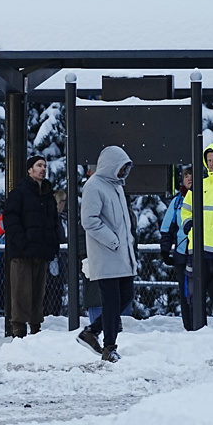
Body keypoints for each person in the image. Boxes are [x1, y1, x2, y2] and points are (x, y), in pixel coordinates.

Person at [77, 145, 137, 363]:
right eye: (122, 167)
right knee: (112, 301)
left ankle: (92, 331)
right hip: (106, 253)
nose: (124, 172)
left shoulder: (117, 187)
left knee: (126, 296)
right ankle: (109, 346)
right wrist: (113, 241)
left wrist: (126, 245)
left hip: (121, 254)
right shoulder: (94, 186)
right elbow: (89, 220)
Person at [179, 143, 213, 330]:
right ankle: (196, 331)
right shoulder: (199, 185)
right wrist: (189, 227)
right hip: (198, 249)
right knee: (194, 295)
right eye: (209, 160)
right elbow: (186, 210)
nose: (211, 164)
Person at [4, 156, 62, 337]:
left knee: (38, 292)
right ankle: (19, 328)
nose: (43, 169)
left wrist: (52, 244)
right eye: (39, 165)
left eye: (44, 166)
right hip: (23, 252)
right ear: (30, 169)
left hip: (41, 251)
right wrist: (22, 242)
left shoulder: (47, 196)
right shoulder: (19, 193)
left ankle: (36, 327)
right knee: (21, 291)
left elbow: (53, 223)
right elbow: (11, 220)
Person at [158, 166, 193, 330]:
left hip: (204, 253)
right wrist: (165, 251)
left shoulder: (206, 197)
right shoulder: (177, 201)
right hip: (182, 253)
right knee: (186, 292)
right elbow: (167, 228)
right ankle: (189, 325)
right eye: (186, 176)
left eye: (192, 175)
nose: (189, 179)